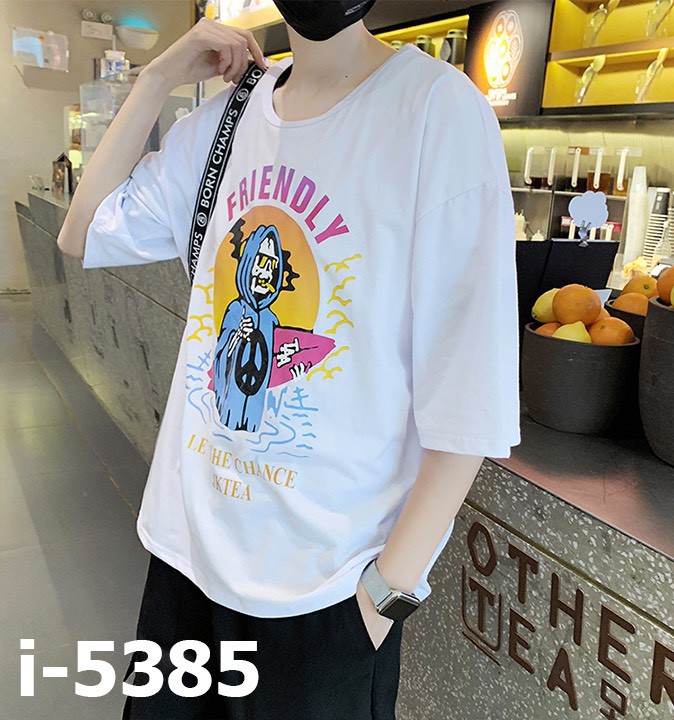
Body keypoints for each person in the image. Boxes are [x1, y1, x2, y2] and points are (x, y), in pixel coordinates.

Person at [57, 1, 521, 718]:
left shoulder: (437, 111)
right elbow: (82, 233)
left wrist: (383, 599)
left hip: (324, 600)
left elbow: (470, 395)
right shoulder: (228, 117)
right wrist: (156, 79)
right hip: (185, 564)